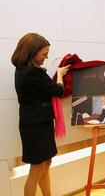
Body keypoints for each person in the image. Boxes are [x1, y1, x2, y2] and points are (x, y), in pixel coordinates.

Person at [11, 33, 69, 196]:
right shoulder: (31, 73)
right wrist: (60, 76)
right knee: (36, 169)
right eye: (44, 54)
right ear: (31, 52)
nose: (47, 56)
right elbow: (58, 90)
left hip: (40, 123)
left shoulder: (24, 70)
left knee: (46, 164)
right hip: (35, 127)